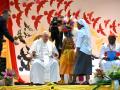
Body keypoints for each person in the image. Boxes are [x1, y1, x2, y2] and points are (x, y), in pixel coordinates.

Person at [72, 19, 92, 85]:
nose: (77, 25)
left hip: (82, 51)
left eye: (77, 24)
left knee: (77, 65)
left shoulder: (80, 31)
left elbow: (78, 43)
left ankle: (74, 80)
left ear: (81, 25)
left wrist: (76, 53)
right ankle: (87, 81)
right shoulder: (86, 32)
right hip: (88, 51)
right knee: (87, 66)